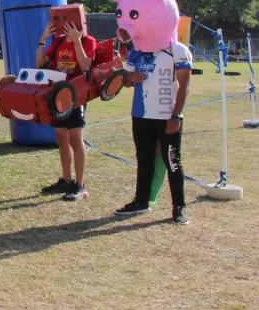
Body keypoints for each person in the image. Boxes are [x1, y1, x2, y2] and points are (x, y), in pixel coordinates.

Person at [115, 34, 193, 224]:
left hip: (167, 114)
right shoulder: (137, 51)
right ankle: (141, 201)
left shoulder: (177, 49)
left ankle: (179, 206)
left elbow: (185, 85)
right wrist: (131, 77)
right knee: (144, 159)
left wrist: (176, 115)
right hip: (141, 114)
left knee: (172, 160)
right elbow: (125, 80)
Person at [36, 18, 98, 201]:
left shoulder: (89, 41)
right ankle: (67, 179)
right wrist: (42, 39)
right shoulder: (58, 41)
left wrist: (77, 40)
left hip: (76, 94)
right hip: (58, 95)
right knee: (61, 138)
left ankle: (80, 185)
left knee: (75, 139)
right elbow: (40, 64)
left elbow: (86, 66)